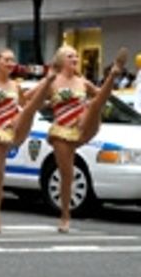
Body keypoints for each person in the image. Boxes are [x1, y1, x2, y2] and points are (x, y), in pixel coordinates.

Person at [45, 45, 128, 233]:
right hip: (61, 131)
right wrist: (46, 103)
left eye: (76, 56)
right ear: (61, 60)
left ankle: (113, 74)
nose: (74, 59)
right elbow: (28, 98)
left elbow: (102, 97)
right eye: (70, 56)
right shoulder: (52, 81)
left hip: (82, 126)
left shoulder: (82, 82)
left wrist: (96, 98)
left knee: (95, 104)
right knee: (67, 174)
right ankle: (65, 215)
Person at [0, 48, 56, 234]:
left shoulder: (15, 86)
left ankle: (48, 80)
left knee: (0, 175)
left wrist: (46, 104)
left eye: (12, 60)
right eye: (6, 60)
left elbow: (24, 106)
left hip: (12, 129)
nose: (10, 63)